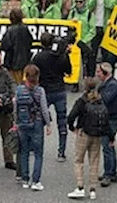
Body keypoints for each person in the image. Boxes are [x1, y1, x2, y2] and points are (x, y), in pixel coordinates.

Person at [32, 31, 73, 161]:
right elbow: (69, 71)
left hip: (44, 91)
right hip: (59, 90)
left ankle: (36, 147)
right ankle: (61, 152)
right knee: (62, 121)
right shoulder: (61, 56)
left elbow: (33, 74)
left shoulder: (38, 57)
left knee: (38, 119)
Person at [65, 77, 108, 200]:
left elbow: (71, 116)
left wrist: (72, 127)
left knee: (79, 160)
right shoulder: (100, 100)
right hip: (97, 134)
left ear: (85, 87)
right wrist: (110, 136)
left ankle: (80, 187)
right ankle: (93, 189)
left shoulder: (82, 101)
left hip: (84, 133)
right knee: (94, 161)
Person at [13, 63, 52, 192]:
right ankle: (36, 181)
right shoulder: (40, 91)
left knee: (24, 151)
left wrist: (15, 122)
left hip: (22, 124)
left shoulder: (19, 90)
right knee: (38, 153)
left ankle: (25, 178)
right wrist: (48, 124)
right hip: (36, 123)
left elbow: (15, 108)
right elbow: (44, 109)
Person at [96, 62, 117, 187]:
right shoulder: (107, 84)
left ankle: (108, 174)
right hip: (109, 118)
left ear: (105, 73)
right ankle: (112, 172)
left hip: (110, 119)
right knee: (109, 147)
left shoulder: (113, 86)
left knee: (107, 147)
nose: (97, 74)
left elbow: (104, 100)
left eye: (99, 72)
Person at [2, 8, 34, 84]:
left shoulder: (10, 30)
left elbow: (4, 45)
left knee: (14, 84)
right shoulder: (25, 28)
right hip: (25, 61)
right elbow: (30, 41)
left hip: (12, 62)